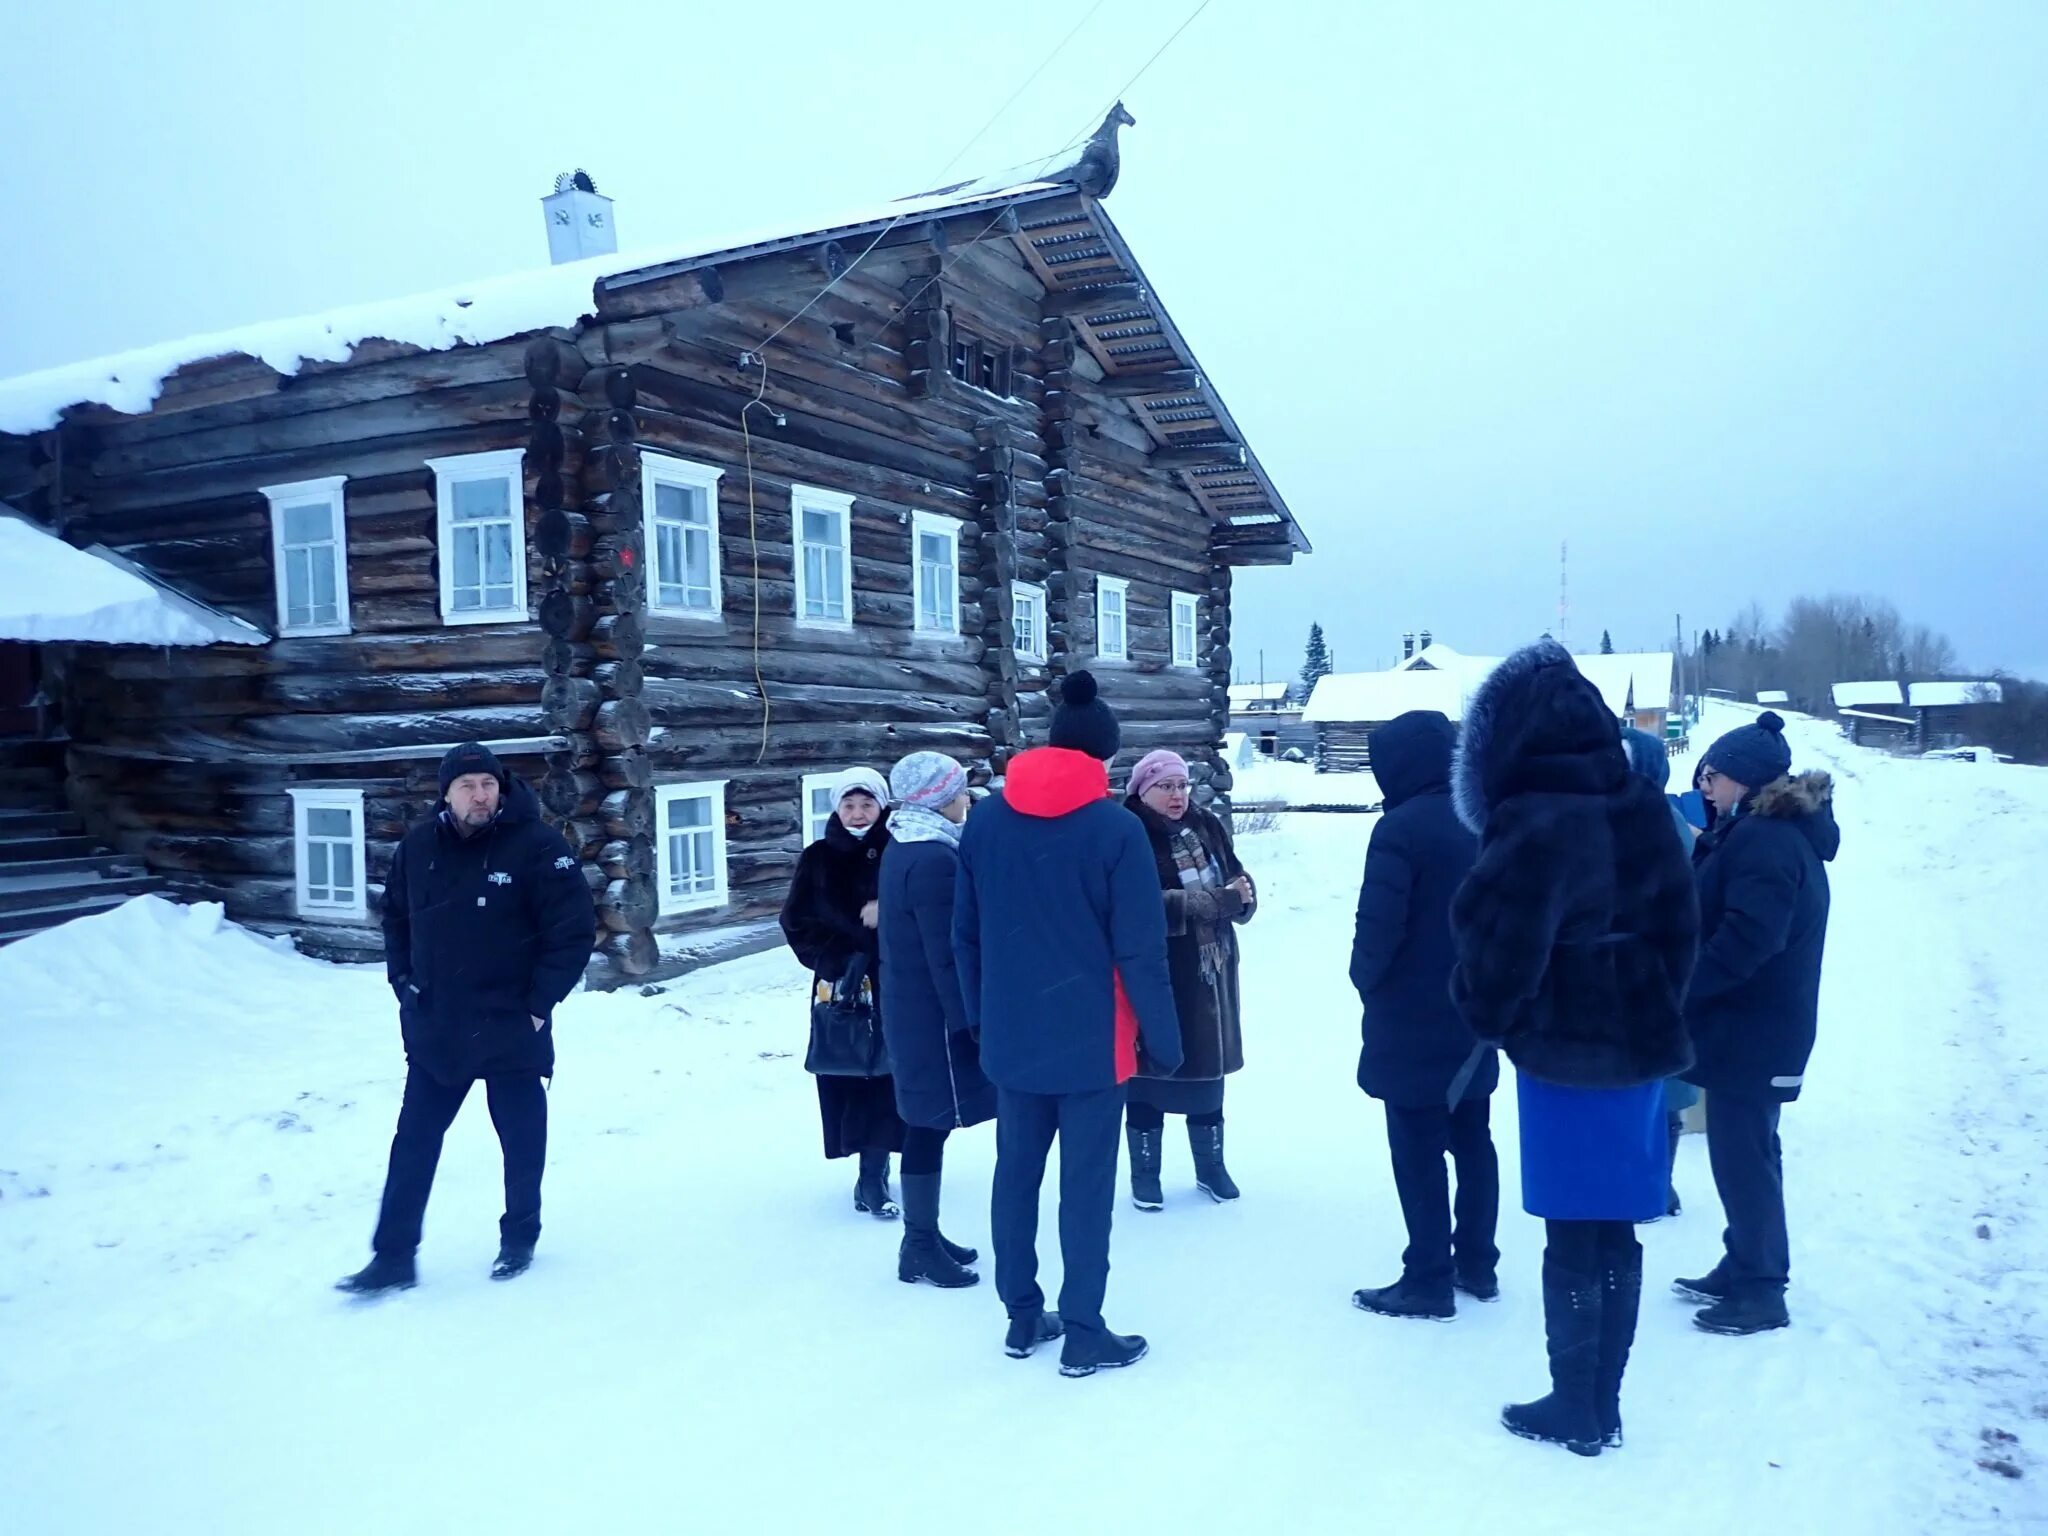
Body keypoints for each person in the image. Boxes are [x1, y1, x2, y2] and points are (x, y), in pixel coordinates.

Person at [1449, 642, 1699, 1455]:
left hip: (1561, 1050)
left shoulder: (1530, 819)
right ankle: (1604, 1402)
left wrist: (1493, 1018)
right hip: (1639, 1047)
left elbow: (1500, 952)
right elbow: (1682, 931)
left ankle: (1575, 1405)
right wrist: (1654, 997)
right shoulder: (1642, 804)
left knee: (1570, 1233)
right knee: (1619, 1226)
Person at [954, 670, 1182, 1377]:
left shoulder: (987, 818)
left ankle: (1023, 1318)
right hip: (1093, 1042)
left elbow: (964, 932)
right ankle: (1084, 1328)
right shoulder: (1115, 830)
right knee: (1085, 1188)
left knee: (1015, 1176)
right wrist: (1166, 1042)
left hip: (1012, 1036)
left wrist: (979, 1019)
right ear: (1105, 759)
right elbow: (1139, 950)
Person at [337, 742, 596, 1294]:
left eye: (488, 784)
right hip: (440, 1026)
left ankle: (519, 1236)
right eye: (467, 786)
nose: (480, 796)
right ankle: (393, 1257)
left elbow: (572, 931)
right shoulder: (418, 847)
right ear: (446, 794)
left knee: (521, 1141)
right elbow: (396, 921)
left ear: (501, 788)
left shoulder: (539, 846)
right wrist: (404, 983)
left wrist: (537, 1005)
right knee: (414, 1141)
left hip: (511, 1023)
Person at [1677, 711, 1839, 1336]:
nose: (1705, 788)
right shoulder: (1757, 833)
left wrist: (1682, 991)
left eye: (1711, 777)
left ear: (1743, 781)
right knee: (1744, 1151)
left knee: (1744, 1156)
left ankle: (1762, 1290)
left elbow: (1749, 937)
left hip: (1756, 1027)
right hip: (1753, 1025)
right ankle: (1745, 1261)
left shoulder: (1765, 841)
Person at [1348, 710, 1498, 1321]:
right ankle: (1479, 1264)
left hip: (1411, 1016)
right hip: (1477, 1011)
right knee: (1472, 1139)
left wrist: (1366, 981)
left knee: (1416, 1148)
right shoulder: (1484, 820)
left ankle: (1428, 1279)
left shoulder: (1400, 829)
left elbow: (1378, 926)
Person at [878, 750, 996, 1288]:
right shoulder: (932, 859)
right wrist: (971, 1024)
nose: (966, 800)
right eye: (957, 792)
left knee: (926, 1125)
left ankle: (922, 1235)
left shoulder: (906, 841)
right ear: (935, 797)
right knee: (928, 1125)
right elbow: (947, 954)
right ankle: (919, 1244)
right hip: (933, 1022)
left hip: (913, 1012)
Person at [1121, 748, 1256, 1210]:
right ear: (1142, 790)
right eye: (1165, 786)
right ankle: (1145, 1174)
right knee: (1147, 1073)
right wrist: (1217, 902)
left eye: (1182, 785)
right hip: (1157, 970)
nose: (1178, 795)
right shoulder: (1130, 832)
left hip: (1210, 970)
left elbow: (1237, 879)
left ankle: (1211, 1167)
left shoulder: (1206, 824)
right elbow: (1139, 907)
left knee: (1207, 1069)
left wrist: (1241, 897)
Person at [780, 767, 907, 1218]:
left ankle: (879, 1171)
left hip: (896, 981)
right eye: (849, 805)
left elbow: (926, 906)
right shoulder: (818, 857)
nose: (857, 814)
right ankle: (866, 1171)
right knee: (848, 1070)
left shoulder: (902, 851)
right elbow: (795, 921)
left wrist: (887, 915)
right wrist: (832, 958)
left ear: (882, 806)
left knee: (891, 1074)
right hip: (840, 985)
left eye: (867, 804)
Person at [1623, 727, 1703, 1221]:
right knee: (1662, 1083)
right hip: (1660, 965)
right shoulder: (1663, 817)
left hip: (1655, 966)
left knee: (1661, 1086)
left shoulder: (1654, 822)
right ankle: (1654, 1184)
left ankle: (1655, 1185)